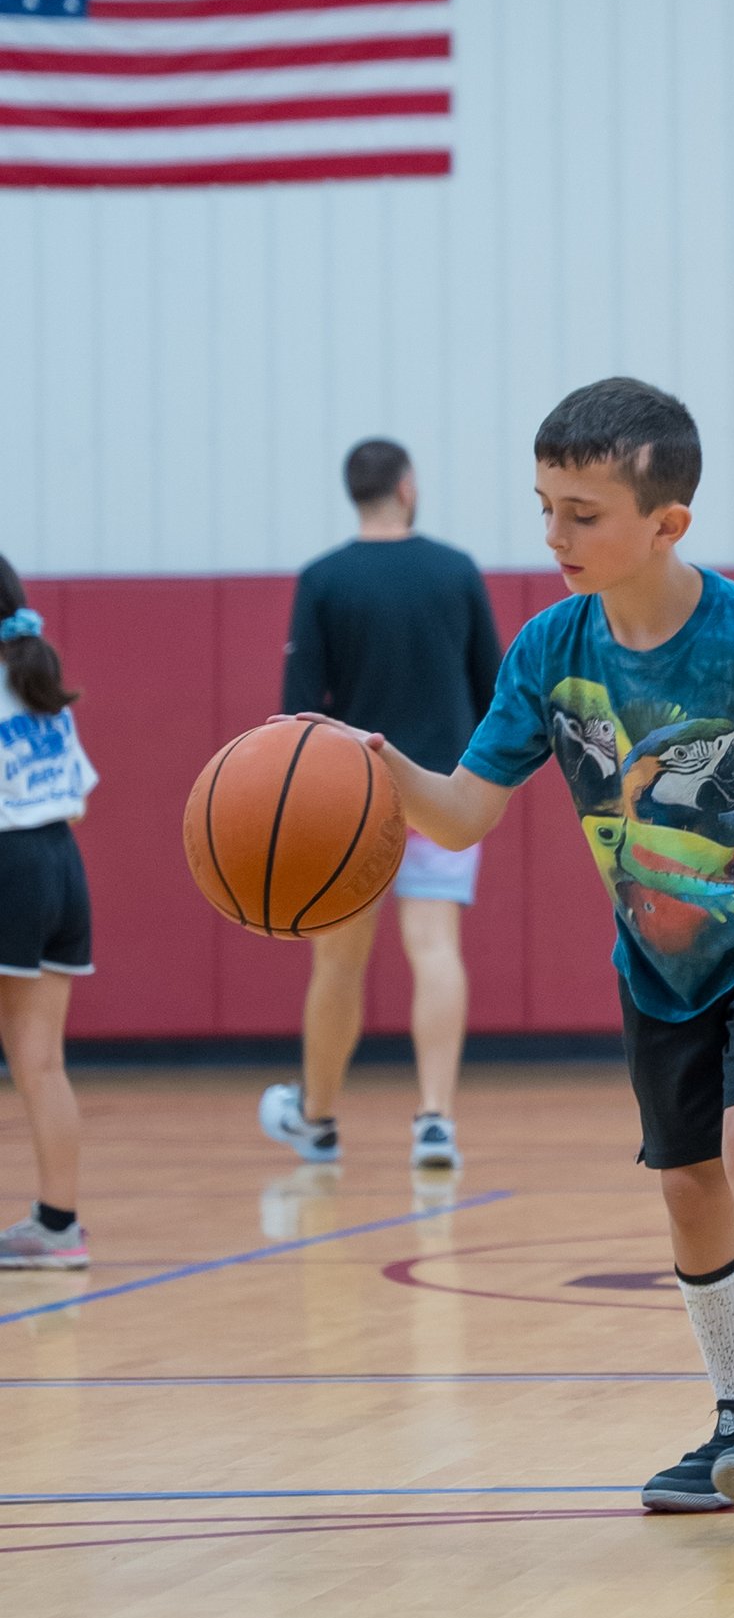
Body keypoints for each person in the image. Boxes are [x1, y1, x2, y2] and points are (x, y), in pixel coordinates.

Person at [367, 376, 734, 1524]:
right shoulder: (548, 648)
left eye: (582, 513)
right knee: (688, 1188)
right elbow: (462, 812)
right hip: (659, 957)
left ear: (666, 523)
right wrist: (368, 760)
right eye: (543, 506)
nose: (554, 535)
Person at [261, 438, 503, 1176]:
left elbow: (299, 713)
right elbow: (494, 687)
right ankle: (434, 1120)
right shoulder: (456, 570)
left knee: (337, 964)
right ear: (407, 486)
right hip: (442, 789)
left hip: (349, 799)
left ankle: (321, 1121)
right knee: (435, 948)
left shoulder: (324, 580)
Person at [0, 558, 98, 1271]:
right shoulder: (36, 679)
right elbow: (78, 785)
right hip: (62, 863)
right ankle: (58, 1226)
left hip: (10, 863)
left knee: (34, 1060)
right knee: (42, 1061)